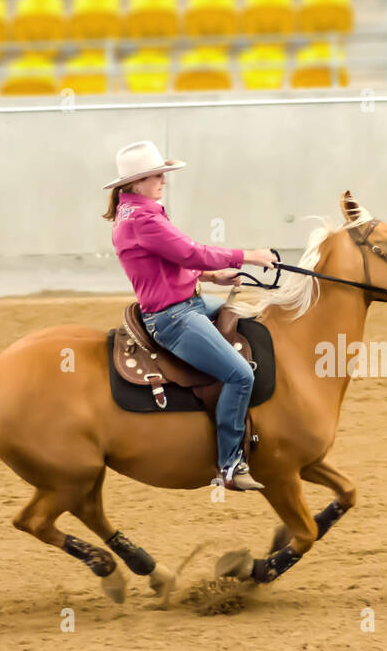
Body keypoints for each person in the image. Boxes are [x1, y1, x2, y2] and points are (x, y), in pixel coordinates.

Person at [102, 140, 277, 491]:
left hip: (187, 303)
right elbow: (190, 252)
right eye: (156, 175)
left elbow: (169, 264)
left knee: (251, 318)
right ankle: (230, 464)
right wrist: (248, 256)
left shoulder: (137, 213)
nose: (163, 181)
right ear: (136, 183)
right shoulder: (143, 219)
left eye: (162, 174)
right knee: (240, 375)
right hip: (174, 318)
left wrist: (213, 277)